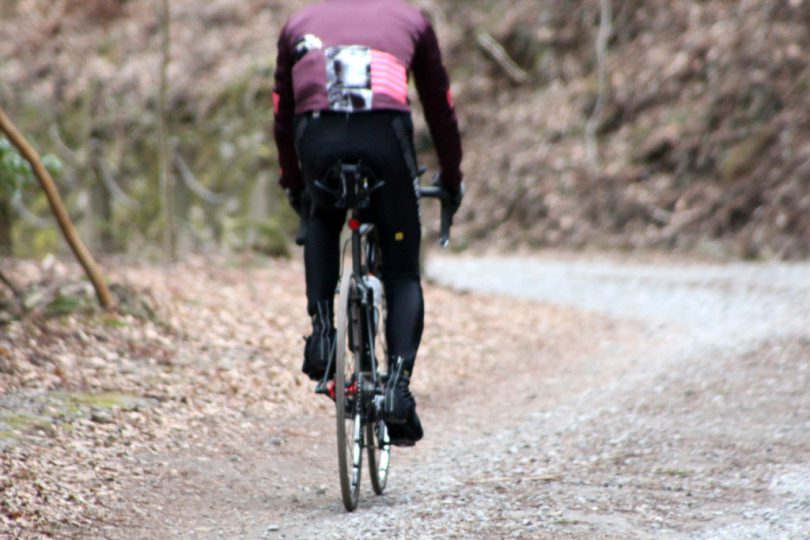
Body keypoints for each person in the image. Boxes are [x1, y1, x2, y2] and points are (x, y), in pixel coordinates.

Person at [272, 0, 463, 446]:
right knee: (400, 270)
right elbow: (441, 108)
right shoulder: (412, 19)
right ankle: (396, 387)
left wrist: (294, 181)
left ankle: (322, 333)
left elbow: (282, 113)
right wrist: (450, 177)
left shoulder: (297, 22)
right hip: (384, 136)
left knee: (322, 214)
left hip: (316, 135)